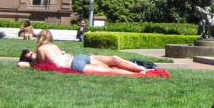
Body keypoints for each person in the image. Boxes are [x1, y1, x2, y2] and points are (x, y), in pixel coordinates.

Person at [18, 37, 148, 75]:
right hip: (78, 57)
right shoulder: (52, 46)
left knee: (107, 69)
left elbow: (44, 65)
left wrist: (31, 63)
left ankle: (138, 73)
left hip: (75, 63)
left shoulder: (41, 53)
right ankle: (143, 70)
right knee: (111, 61)